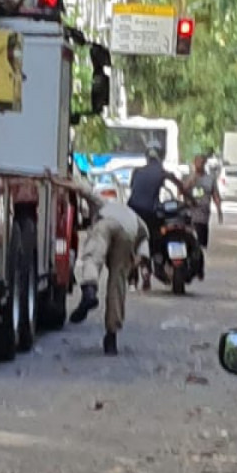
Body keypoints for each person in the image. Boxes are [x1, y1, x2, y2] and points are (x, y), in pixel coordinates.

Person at [70, 184, 149, 356]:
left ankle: (90, 289)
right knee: (117, 284)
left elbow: (84, 191)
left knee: (93, 257)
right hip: (128, 233)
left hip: (106, 224)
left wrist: (61, 182)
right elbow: (144, 240)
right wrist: (137, 260)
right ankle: (111, 336)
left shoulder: (106, 204)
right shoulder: (135, 217)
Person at [127, 144, 184, 252]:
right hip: (150, 212)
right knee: (157, 235)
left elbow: (132, 187)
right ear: (161, 157)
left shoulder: (136, 171)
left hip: (132, 211)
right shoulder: (162, 172)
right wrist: (191, 200)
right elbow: (181, 186)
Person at [183, 152, 223, 256]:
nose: (199, 164)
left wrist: (219, 210)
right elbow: (182, 191)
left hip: (203, 216)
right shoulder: (188, 177)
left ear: (205, 163)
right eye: (197, 162)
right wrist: (191, 180)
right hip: (189, 215)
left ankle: (199, 260)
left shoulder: (210, 178)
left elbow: (215, 195)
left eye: (201, 162)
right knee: (188, 242)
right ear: (194, 163)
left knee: (201, 245)